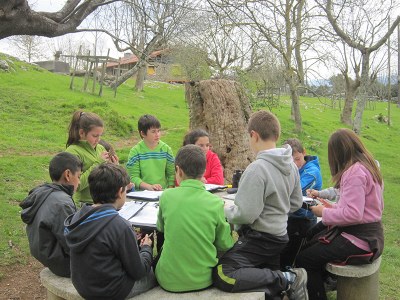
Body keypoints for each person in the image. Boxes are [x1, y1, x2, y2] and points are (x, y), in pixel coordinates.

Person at [212, 110, 308, 300]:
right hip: (280, 235)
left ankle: (288, 278)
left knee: (223, 272)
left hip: (260, 238)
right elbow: (296, 202)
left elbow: (245, 215)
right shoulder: (290, 165)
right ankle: (282, 281)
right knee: (269, 286)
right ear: (277, 135)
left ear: (253, 135)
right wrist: (275, 211)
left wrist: (222, 210)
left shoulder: (257, 169)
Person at [296, 128, 384, 300]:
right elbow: (358, 208)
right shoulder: (368, 166)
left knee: (305, 258)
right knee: (312, 238)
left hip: (361, 240)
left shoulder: (354, 173)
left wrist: (324, 212)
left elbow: (354, 214)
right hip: (371, 236)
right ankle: (324, 282)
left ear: (337, 153)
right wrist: (333, 209)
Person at [64, 163, 156, 299]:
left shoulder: (77, 217)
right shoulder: (120, 226)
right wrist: (146, 248)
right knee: (154, 273)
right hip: (110, 291)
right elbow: (138, 271)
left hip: (83, 286)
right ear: (120, 192)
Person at [155, 144, 233, 292]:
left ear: (178, 170)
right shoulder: (215, 203)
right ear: (203, 171)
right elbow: (225, 244)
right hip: (204, 279)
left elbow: (161, 228)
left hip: (167, 279)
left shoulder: (166, 196)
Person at [20, 152, 82, 277]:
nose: (79, 182)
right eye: (79, 176)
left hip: (47, 255)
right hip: (63, 264)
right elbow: (71, 243)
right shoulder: (62, 203)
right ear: (68, 175)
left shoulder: (43, 192)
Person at [280, 138, 323, 268]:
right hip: (287, 217)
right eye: (290, 160)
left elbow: (291, 190)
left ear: (304, 152)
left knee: (291, 258)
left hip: (302, 221)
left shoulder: (312, 172)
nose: (294, 164)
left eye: (297, 159)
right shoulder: (288, 168)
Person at [66, 110, 118, 205]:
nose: (98, 140)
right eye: (95, 136)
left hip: (103, 203)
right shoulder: (72, 152)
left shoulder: (101, 148)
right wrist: (98, 163)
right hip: (84, 206)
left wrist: (114, 167)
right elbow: (76, 186)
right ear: (81, 133)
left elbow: (107, 180)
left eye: (100, 135)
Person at [126, 114, 175, 191]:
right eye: (153, 132)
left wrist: (169, 190)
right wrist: (149, 187)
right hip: (142, 195)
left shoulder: (166, 150)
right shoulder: (135, 152)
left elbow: (172, 174)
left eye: (159, 131)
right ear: (143, 133)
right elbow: (133, 177)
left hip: (163, 193)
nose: (157, 135)